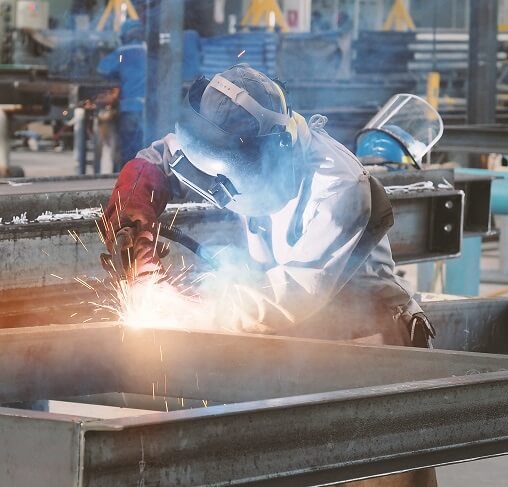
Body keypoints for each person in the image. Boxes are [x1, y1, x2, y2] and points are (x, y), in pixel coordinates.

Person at [101, 64, 437, 486]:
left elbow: (291, 295)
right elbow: (160, 158)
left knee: (375, 473)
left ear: (267, 155)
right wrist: (137, 203)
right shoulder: (224, 131)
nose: (215, 185)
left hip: (367, 340)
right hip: (289, 341)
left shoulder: (337, 186)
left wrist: (187, 305)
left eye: (226, 177)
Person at [97, 19, 146, 170]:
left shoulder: (122, 53)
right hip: (150, 109)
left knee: (128, 151)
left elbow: (103, 69)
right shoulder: (149, 51)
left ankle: (127, 182)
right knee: (146, 149)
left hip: (130, 108)